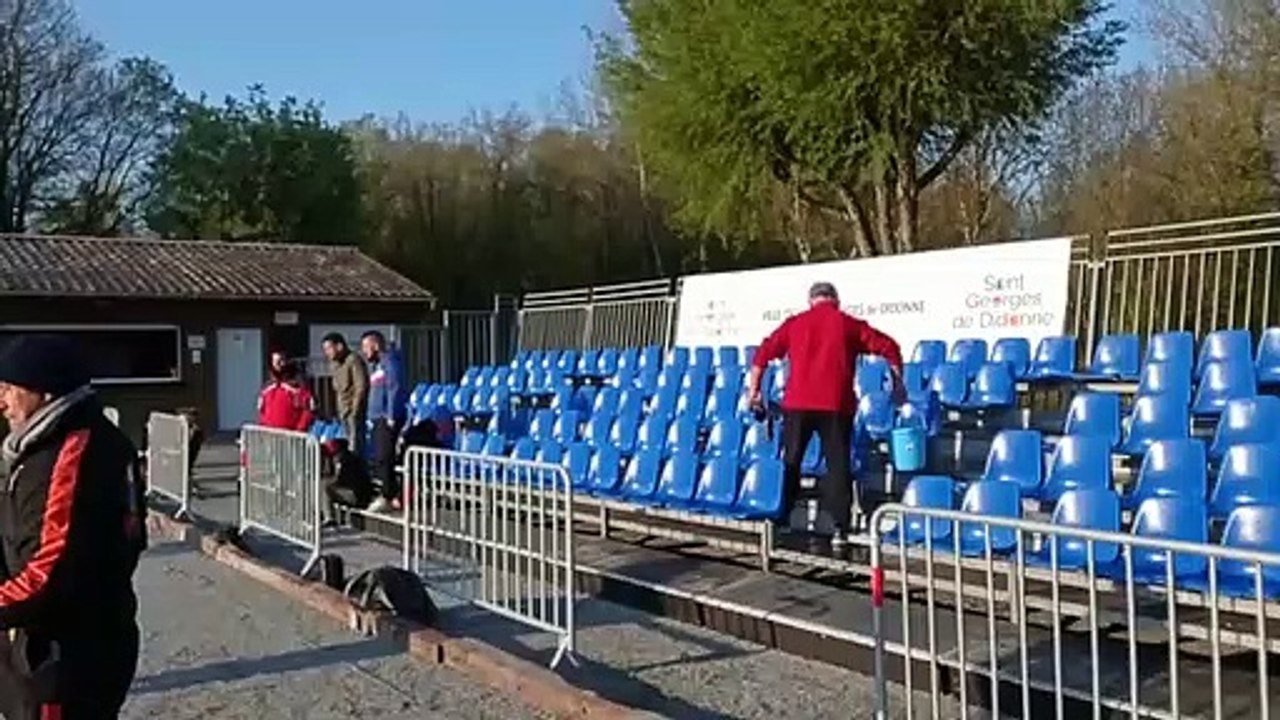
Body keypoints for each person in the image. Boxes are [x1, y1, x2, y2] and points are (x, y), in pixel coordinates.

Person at [0, 335, 147, 719]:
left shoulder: (72, 455)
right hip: (51, 641)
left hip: (67, 652)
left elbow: (48, 571)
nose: (3, 402)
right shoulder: (43, 445)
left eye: (11, 389)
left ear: (46, 392)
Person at [746, 282, 904, 547]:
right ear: (836, 300)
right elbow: (890, 347)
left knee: (792, 461)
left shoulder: (794, 324)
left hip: (798, 403)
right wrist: (899, 383)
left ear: (811, 300)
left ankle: (781, 518)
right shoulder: (848, 324)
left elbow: (762, 355)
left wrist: (755, 391)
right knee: (838, 466)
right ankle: (840, 528)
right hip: (836, 404)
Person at [360, 331, 408, 513]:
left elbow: (394, 388)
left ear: (375, 345)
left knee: (384, 456)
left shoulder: (389, 362)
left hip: (386, 418)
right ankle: (390, 493)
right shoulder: (376, 366)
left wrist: (391, 415)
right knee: (379, 456)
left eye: (366, 347)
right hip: (376, 417)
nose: (364, 351)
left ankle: (388, 496)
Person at [322, 333, 368, 459]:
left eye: (329, 348)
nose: (327, 352)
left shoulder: (353, 360)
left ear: (339, 346)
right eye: (325, 349)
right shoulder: (334, 364)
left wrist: (355, 409)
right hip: (342, 410)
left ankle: (357, 473)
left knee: (355, 446)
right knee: (347, 444)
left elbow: (361, 386)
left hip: (353, 411)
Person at [256, 360, 316, 432]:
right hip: (280, 437)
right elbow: (261, 414)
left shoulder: (266, 392)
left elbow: (308, 411)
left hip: (279, 437)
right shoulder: (267, 391)